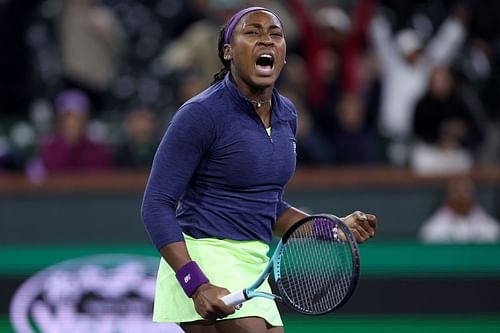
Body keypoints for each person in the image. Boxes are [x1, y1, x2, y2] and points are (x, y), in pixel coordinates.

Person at [141, 7, 377, 333]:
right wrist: (195, 283)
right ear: (228, 51)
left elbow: (269, 207)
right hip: (203, 258)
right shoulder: (200, 114)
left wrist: (331, 228)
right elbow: (155, 205)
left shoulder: (287, 115)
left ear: (283, 55)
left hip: (254, 264)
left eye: (275, 34)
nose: (265, 39)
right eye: (252, 32)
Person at [36, 89, 113, 173]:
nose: (73, 124)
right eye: (68, 117)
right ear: (59, 120)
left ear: (85, 120)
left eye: (78, 118)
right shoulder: (49, 149)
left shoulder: (97, 151)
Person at [419, 176, 500, 243]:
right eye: (456, 191)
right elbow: (427, 236)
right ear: (447, 197)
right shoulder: (433, 227)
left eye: (465, 191)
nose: (461, 196)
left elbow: (494, 234)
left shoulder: (488, 225)